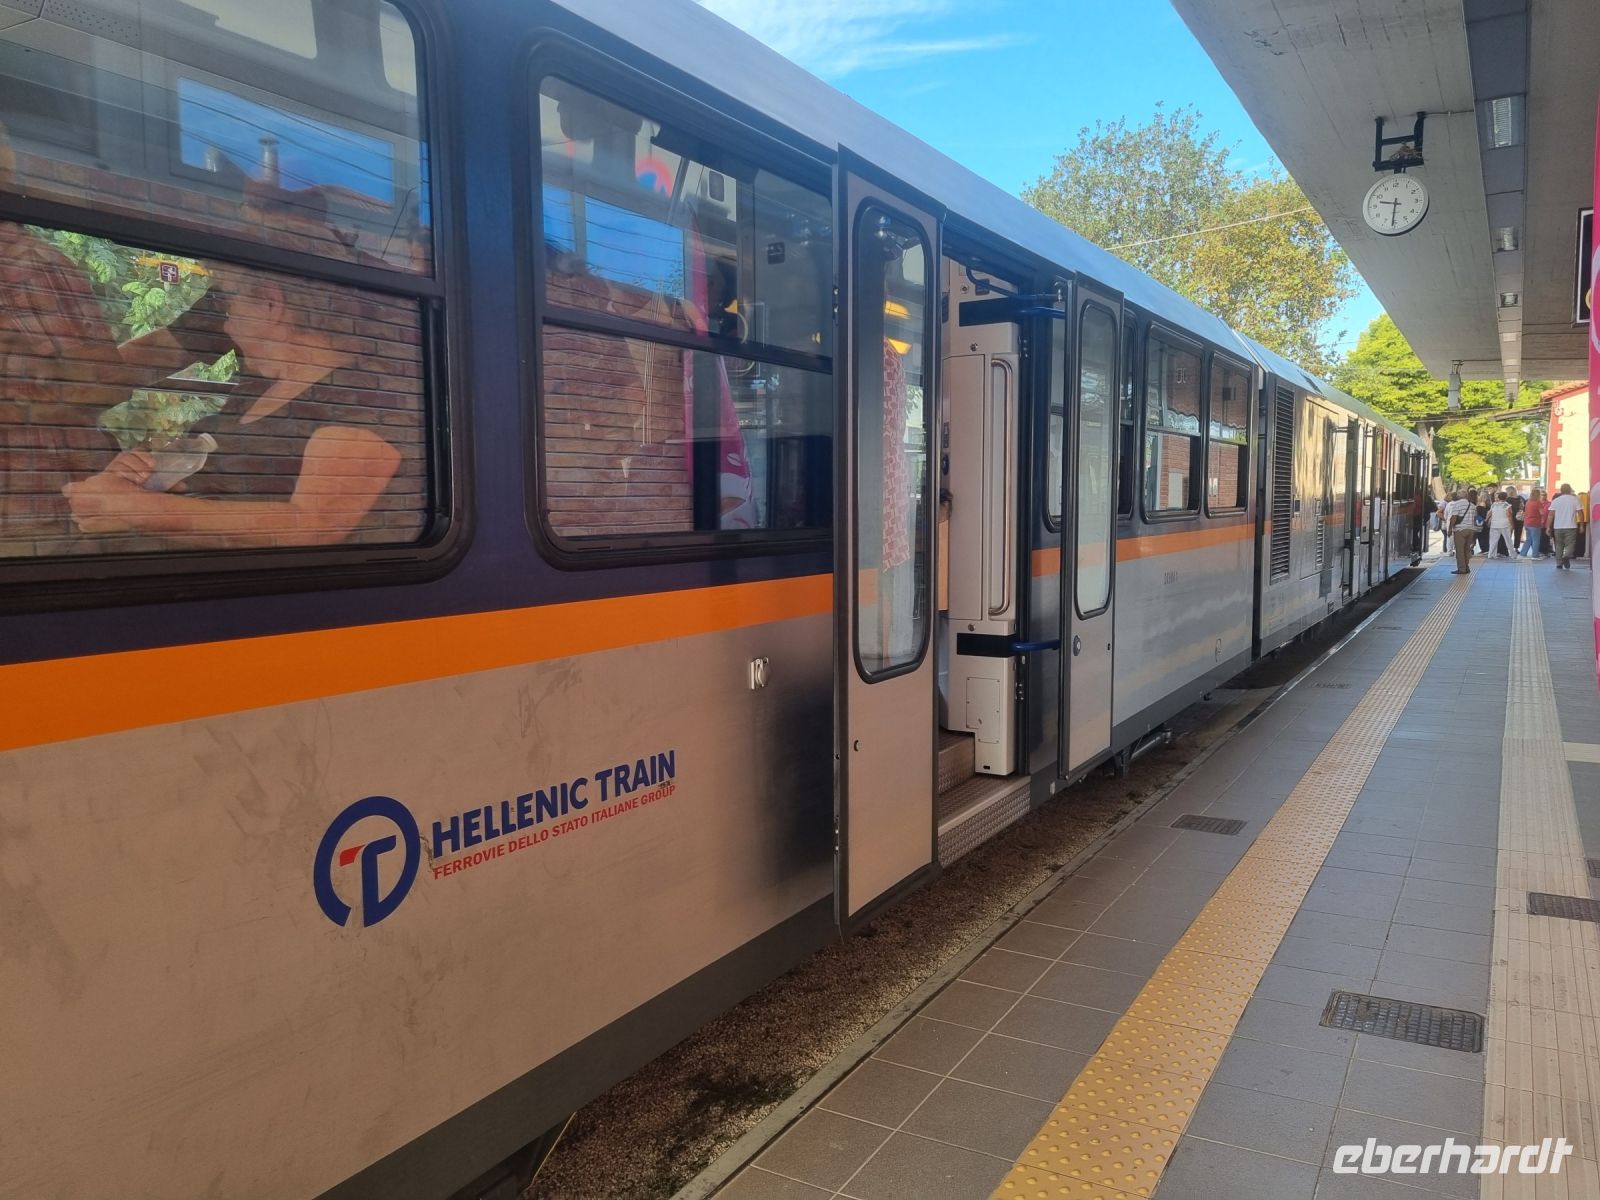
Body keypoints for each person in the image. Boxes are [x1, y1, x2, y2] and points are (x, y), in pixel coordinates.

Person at [61, 259, 403, 549]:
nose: (224, 325)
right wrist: (140, 478)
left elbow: (314, 526)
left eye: (227, 306)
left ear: (270, 303)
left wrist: (134, 508)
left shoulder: (359, 399)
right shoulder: (256, 390)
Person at [1444, 487, 1477, 574]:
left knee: (1460, 550)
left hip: (1460, 530)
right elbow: (1474, 518)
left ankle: (1462, 569)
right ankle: (1467, 567)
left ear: (1458, 496)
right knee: (1467, 549)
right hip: (1471, 529)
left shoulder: (1456, 504)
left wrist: (1450, 529)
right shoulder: (1472, 505)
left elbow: (1453, 517)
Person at [1549, 483, 1582, 569]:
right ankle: (1566, 556)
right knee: (1570, 544)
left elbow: (1550, 515)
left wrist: (1548, 527)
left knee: (1559, 545)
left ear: (1561, 490)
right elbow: (1580, 513)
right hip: (1571, 526)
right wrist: (1581, 525)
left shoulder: (1556, 500)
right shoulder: (1575, 500)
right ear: (1570, 490)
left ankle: (1559, 563)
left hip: (1557, 527)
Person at [1486, 490, 1515, 559]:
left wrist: (1486, 519)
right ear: (1506, 497)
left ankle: (1491, 554)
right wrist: (1512, 524)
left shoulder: (1494, 505)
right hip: (1504, 525)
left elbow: (1489, 513)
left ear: (1498, 497)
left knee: (1493, 541)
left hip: (1494, 525)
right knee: (1508, 540)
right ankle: (1513, 555)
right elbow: (1509, 515)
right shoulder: (1507, 505)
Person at [1520, 487, 1547, 559]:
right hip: (1535, 523)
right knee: (1536, 540)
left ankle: (1523, 553)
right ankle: (1535, 555)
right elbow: (1542, 513)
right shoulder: (1538, 503)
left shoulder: (1528, 502)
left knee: (1528, 539)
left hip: (1527, 523)